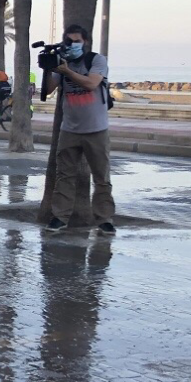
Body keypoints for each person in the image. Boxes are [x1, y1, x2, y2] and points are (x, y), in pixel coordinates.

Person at [45, 24, 115, 235]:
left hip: (96, 129)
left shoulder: (96, 60)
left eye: (77, 41)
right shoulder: (62, 64)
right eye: (69, 41)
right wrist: (49, 67)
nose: (73, 45)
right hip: (70, 130)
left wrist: (66, 71)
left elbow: (92, 84)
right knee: (64, 176)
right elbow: (48, 89)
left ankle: (105, 219)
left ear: (85, 42)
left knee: (102, 177)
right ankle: (59, 217)